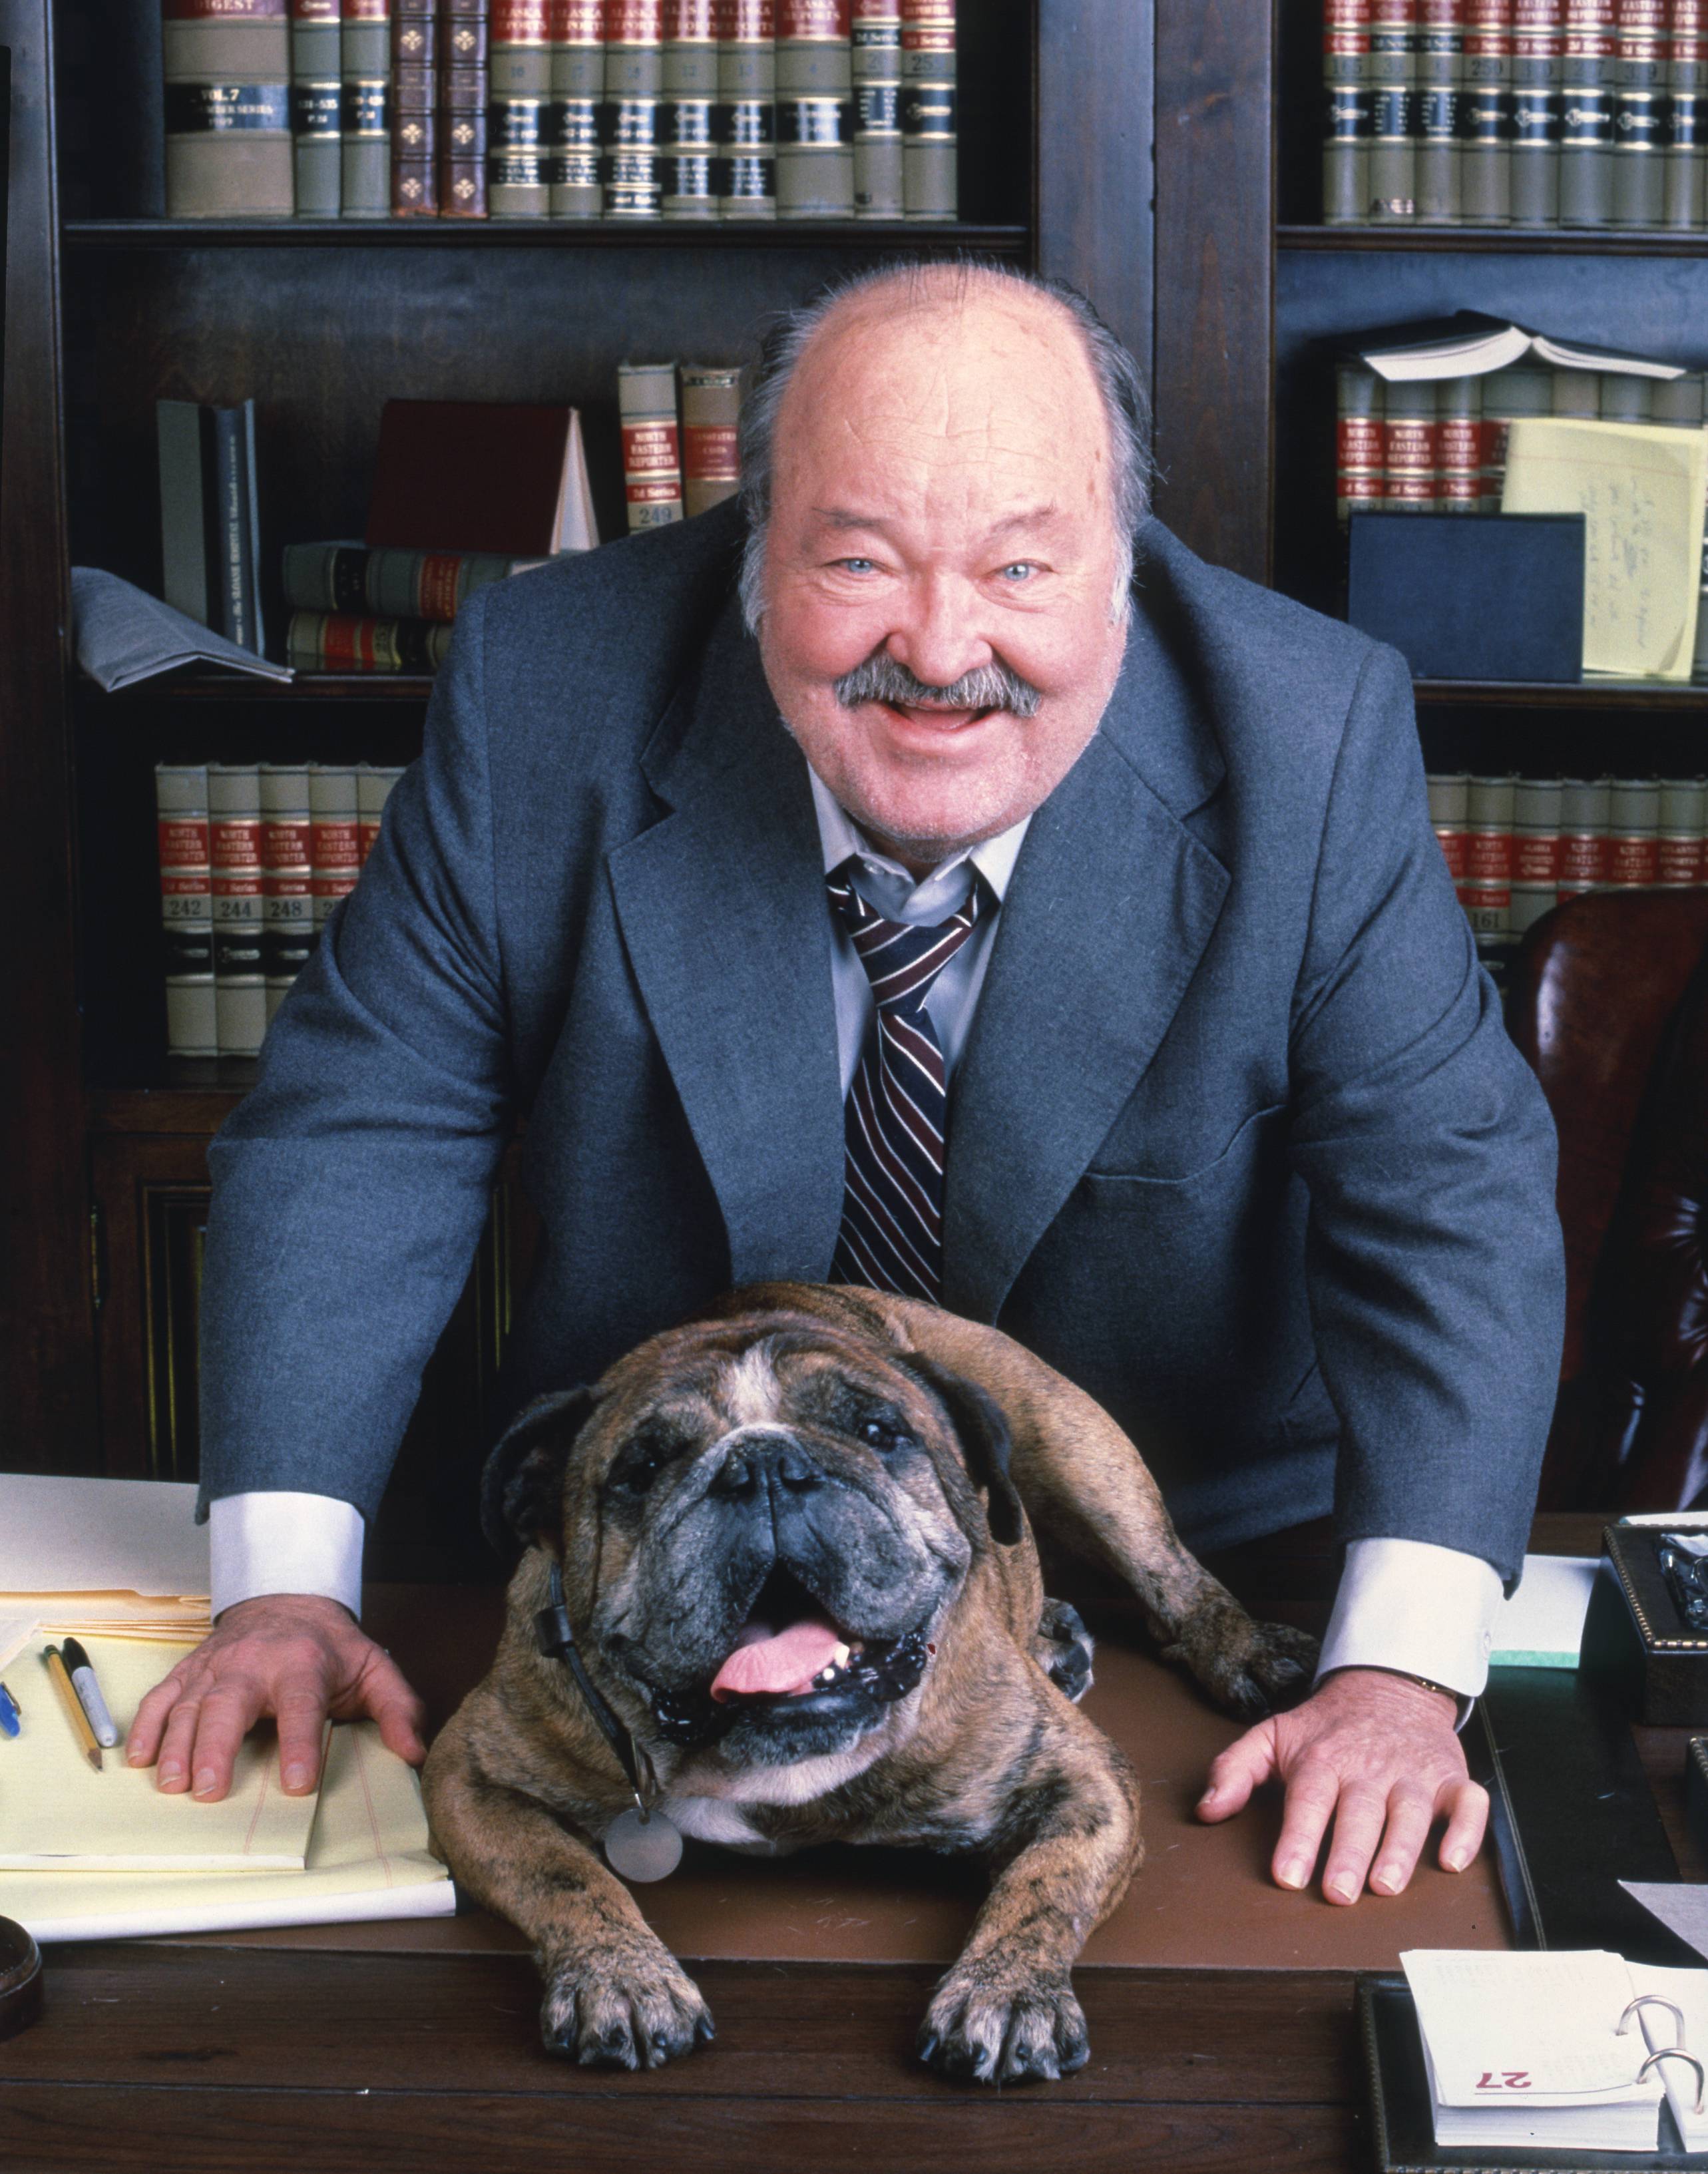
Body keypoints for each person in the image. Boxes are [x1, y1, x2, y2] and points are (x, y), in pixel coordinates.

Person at [126, 260, 1564, 1907]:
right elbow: (359, 1129)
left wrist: (1393, 1676)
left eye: (1019, 564)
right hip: (658, 1584)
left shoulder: (1305, 732)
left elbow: (1446, 1200)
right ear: (757, 556)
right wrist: (283, 1590)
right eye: (857, 561)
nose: (941, 649)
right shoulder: (549, 686)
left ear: (1120, 571)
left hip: (1196, 1610)